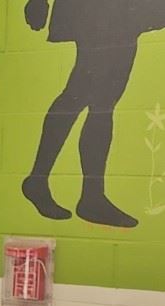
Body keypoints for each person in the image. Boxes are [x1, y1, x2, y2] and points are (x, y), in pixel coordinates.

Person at [22, 0, 165, 227]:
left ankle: (77, 191)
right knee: (88, 94)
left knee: (95, 97)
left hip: (120, 11)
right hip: (99, 10)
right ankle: (77, 192)